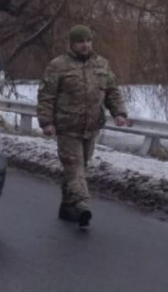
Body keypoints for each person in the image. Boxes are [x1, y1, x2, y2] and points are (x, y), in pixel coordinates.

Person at [37, 25, 129, 227]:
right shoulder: (58, 66)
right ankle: (81, 203)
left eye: (88, 41)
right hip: (67, 127)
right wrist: (47, 122)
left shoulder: (102, 65)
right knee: (74, 167)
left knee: (80, 167)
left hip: (91, 128)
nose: (85, 45)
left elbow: (112, 92)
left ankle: (67, 207)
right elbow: (46, 96)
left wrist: (119, 113)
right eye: (81, 42)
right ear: (71, 44)